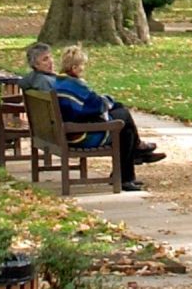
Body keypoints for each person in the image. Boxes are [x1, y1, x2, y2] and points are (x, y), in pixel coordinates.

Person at [49, 45, 162, 191]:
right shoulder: (76, 86)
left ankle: (128, 169)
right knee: (123, 123)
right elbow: (97, 105)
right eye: (83, 65)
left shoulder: (59, 82)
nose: (84, 69)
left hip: (66, 131)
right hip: (80, 135)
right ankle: (131, 162)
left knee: (121, 114)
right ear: (75, 67)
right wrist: (109, 99)